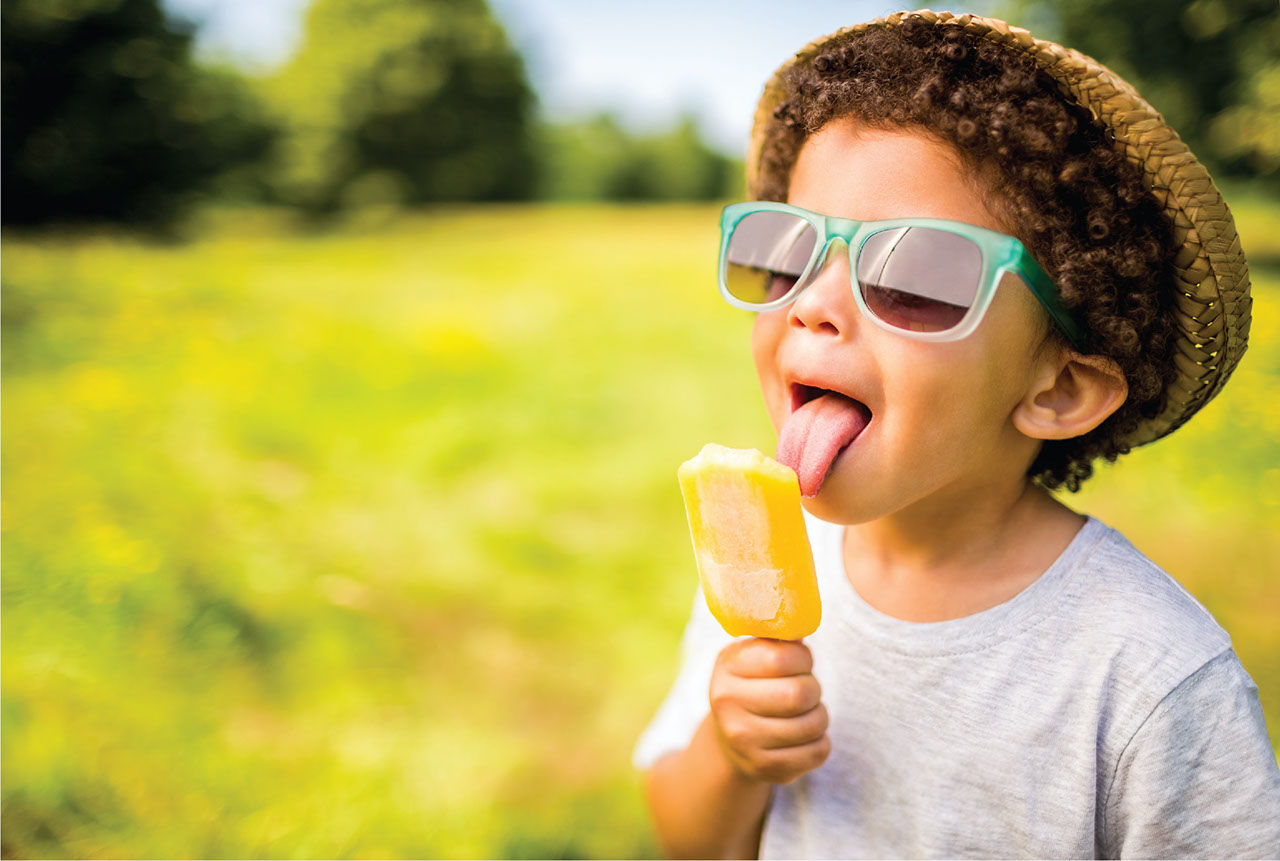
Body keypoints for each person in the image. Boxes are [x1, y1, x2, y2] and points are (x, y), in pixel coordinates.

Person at [633, 11, 1280, 859]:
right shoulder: (765, 573)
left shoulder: (1146, 675)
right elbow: (689, 840)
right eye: (788, 252)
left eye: (913, 275)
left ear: (1061, 387)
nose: (812, 304)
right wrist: (732, 753)